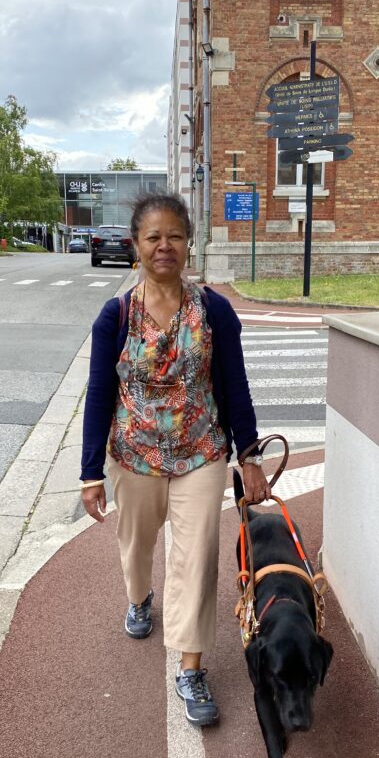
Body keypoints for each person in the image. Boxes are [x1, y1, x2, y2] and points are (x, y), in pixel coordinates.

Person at [80, 192, 269, 726]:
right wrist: (90, 471)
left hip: (201, 453)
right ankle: (140, 597)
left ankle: (191, 666)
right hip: (134, 455)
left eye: (175, 236)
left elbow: (234, 385)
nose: (165, 246)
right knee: (137, 548)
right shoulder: (115, 315)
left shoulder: (214, 310)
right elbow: (99, 393)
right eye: (153, 237)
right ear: (136, 245)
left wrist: (249, 454)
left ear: (189, 243)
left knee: (196, 557)